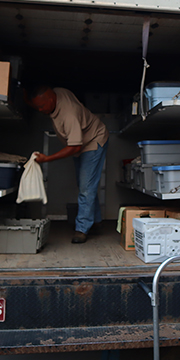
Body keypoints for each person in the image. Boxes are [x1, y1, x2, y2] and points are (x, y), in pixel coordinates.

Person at [27, 86, 108, 244]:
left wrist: (47, 159)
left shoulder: (68, 114)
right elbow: (39, 103)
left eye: (42, 106)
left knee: (86, 187)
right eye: (37, 106)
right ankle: (96, 221)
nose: (40, 109)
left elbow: (74, 147)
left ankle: (82, 229)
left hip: (93, 141)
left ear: (51, 100)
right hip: (81, 142)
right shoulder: (56, 93)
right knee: (86, 184)